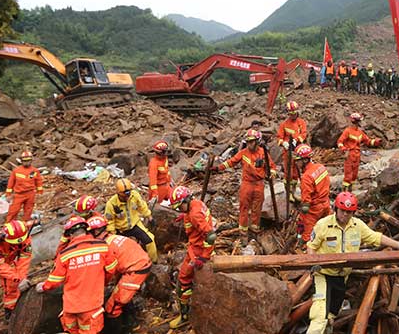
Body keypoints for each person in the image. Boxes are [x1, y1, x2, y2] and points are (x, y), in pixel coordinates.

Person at [306, 191, 399, 334]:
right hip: (323, 274)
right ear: (336, 209)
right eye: (343, 211)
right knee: (319, 314)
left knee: (332, 313)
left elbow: (376, 237)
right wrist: (313, 264)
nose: (345, 215)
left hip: (342, 276)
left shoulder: (357, 226)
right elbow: (311, 246)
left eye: (349, 212)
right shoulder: (323, 225)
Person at [36, 216, 118, 334]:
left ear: (69, 235)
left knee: (70, 331)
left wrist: (44, 286)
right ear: (87, 230)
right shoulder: (102, 246)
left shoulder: (65, 254)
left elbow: (55, 279)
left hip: (71, 307)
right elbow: (111, 269)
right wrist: (103, 282)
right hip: (92, 305)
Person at [87, 215, 151, 330]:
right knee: (121, 294)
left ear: (96, 231)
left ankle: (120, 329)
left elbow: (109, 270)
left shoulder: (104, 246)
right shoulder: (113, 237)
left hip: (135, 270)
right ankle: (132, 323)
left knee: (112, 307)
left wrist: (101, 285)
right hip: (137, 264)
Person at [213, 129, 276, 241]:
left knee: (257, 209)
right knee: (244, 208)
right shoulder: (243, 153)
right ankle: (243, 233)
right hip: (247, 184)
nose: (249, 144)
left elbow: (272, 166)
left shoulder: (263, 153)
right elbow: (231, 162)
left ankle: (254, 231)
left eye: (251, 142)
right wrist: (218, 167)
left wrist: (272, 173)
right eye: (247, 142)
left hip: (259, 184)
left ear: (257, 141)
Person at [167, 186, 216, 329]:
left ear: (185, 200)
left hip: (197, 251)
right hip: (196, 246)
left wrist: (203, 257)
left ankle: (184, 316)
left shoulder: (194, 215)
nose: (179, 209)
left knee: (183, 280)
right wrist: (185, 216)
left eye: (179, 207)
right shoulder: (196, 204)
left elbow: (211, 236)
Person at [104, 178, 158, 263]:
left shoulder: (134, 196)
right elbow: (110, 221)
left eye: (128, 193)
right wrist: (113, 235)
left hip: (134, 225)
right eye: (124, 194)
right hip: (120, 229)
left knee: (150, 240)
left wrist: (149, 217)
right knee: (118, 250)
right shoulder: (111, 204)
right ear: (118, 193)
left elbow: (142, 206)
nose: (127, 196)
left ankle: (154, 262)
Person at [0, 220, 33, 321]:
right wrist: (18, 278)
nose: (16, 246)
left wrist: (21, 278)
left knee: (12, 283)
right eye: (13, 243)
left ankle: (10, 311)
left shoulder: (24, 235)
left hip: (7, 260)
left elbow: (24, 259)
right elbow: (1, 267)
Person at [293, 144, 330, 246]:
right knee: (326, 228)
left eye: (298, 160)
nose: (296, 162)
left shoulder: (306, 177)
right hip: (326, 204)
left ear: (305, 160)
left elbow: (306, 203)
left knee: (307, 233)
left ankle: (305, 249)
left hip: (315, 209)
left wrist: (302, 212)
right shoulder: (321, 167)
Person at [337, 113, 381, 191]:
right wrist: (343, 149)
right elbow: (340, 141)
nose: (360, 123)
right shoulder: (347, 131)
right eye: (359, 121)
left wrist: (375, 142)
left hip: (357, 155)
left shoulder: (360, 132)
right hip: (350, 154)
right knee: (348, 175)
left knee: (354, 174)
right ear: (356, 122)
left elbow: (367, 141)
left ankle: (351, 191)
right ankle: (344, 192)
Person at [277, 101, 308, 201]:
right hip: (287, 151)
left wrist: (297, 139)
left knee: (296, 172)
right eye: (291, 113)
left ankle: (294, 192)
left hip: (298, 150)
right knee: (288, 172)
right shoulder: (284, 124)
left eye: (294, 113)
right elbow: (279, 137)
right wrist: (283, 143)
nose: (293, 115)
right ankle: (288, 193)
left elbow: (304, 134)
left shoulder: (301, 122)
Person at [5, 151, 43, 222]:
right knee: (13, 210)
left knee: (28, 211)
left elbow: (39, 182)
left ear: (31, 161)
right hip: (19, 194)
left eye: (28, 161)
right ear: (21, 161)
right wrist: (8, 194)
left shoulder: (35, 171)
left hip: (30, 194)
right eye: (25, 161)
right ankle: (9, 224)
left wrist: (39, 192)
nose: (26, 163)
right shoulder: (16, 171)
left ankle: (25, 225)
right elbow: (10, 183)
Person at [148, 139, 172, 204]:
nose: (166, 154)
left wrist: (169, 181)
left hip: (167, 186)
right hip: (159, 188)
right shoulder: (154, 163)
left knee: (174, 200)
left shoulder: (165, 158)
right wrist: (155, 194)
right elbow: (153, 181)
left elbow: (167, 171)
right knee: (158, 207)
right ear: (160, 153)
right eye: (165, 152)